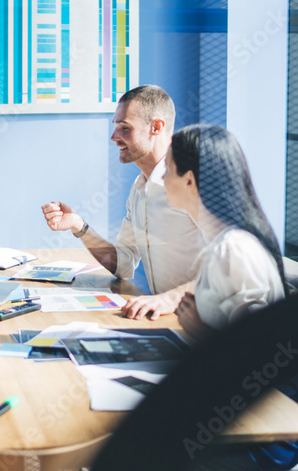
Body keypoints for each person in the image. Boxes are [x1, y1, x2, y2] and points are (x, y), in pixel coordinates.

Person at [163, 124, 298, 471]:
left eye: (168, 169)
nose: (162, 177)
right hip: (234, 416)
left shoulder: (235, 250)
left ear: (190, 181)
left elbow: (262, 359)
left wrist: (201, 332)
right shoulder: (224, 244)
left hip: (263, 437)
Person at [41, 85, 204, 319]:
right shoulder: (140, 188)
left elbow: (232, 268)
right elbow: (123, 264)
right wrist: (79, 226)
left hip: (214, 325)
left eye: (124, 128)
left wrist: (168, 298)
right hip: (171, 319)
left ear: (156, 127)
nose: (114, 137)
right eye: (116, 127)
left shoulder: (192, 181)